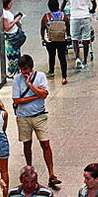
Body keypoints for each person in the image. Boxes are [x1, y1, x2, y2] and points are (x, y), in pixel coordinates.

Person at [13, 55, 60, 189]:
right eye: (22, 69)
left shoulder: (40, 76)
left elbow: (44, 94)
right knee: (27, 144)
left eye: (26, 69)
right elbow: (17, 100)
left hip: (39, 116)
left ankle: (51, 174)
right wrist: (36, 96)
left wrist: (29, 85)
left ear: (31, 67)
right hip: (23, 117)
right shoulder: (17, 79)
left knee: (45, 144)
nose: (24, 72)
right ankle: (29, 170)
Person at [61, 0, 96, 69]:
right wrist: (92, 10)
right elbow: (94, 3)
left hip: (74, 18)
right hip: (85, 17)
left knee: (75, 39)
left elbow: (63, 4)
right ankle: (85, 59)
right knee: (86, 39)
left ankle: (77, 58)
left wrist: (61, 13)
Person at [1, 0, 24, 77]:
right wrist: (16, 20)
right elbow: (6, 28)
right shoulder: (5, 15)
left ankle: (16, 70)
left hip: (14, 35)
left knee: (16, 55)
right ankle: (13, 72)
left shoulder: (7, 12)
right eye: (10, 3)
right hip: (11, 37)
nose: (12, 4)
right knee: (13, 56)